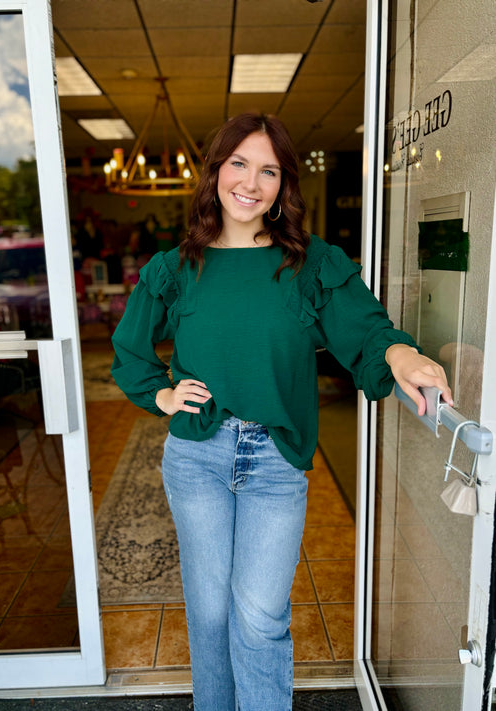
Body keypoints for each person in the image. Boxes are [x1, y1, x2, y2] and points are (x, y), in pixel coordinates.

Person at [111, 113, 452, 711]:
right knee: (211, 611)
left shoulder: (309, 264)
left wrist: (402, 355)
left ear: (283, 185)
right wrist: (162, 394)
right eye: (238, 163)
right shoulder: (176, 267)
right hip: (197, 457)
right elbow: (130, 350)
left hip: (274, 460)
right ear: (215, 171)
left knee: (259, 614)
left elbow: (366, 330)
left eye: (268, 170)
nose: (251, 182)